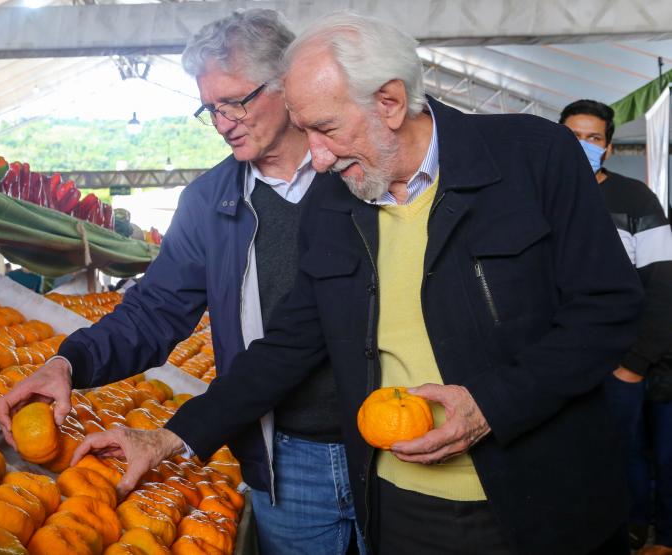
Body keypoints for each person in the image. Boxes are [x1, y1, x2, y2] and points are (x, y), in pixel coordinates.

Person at [72, 13, 645, 555]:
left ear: (391, 102)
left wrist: (489, 405)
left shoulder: (533, 157)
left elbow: (609, 310)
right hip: (402, 507)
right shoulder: (336, 201)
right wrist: (167, 438)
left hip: (545, 495)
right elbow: (290, 345)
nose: (316, 160)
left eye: (324, 129)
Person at [0, 9, 362, 553]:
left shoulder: (358, 174)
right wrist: (69, 362)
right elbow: (155, 310)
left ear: (288, 84)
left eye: (235, 101)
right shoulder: (210, 203)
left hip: (388, 437)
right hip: (285, 455)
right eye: (210, 108)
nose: (222, 122)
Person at [561, 99, 672, 555]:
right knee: (583, 459)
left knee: (633, 453)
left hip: (628, 361)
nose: (583, 146)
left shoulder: (634, 199)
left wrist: (634, 363)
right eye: (572, 137)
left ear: (607, 148)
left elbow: (663, 286)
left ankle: (644, 532)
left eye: (593, 138)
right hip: (568, 363)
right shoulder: (541, 195)